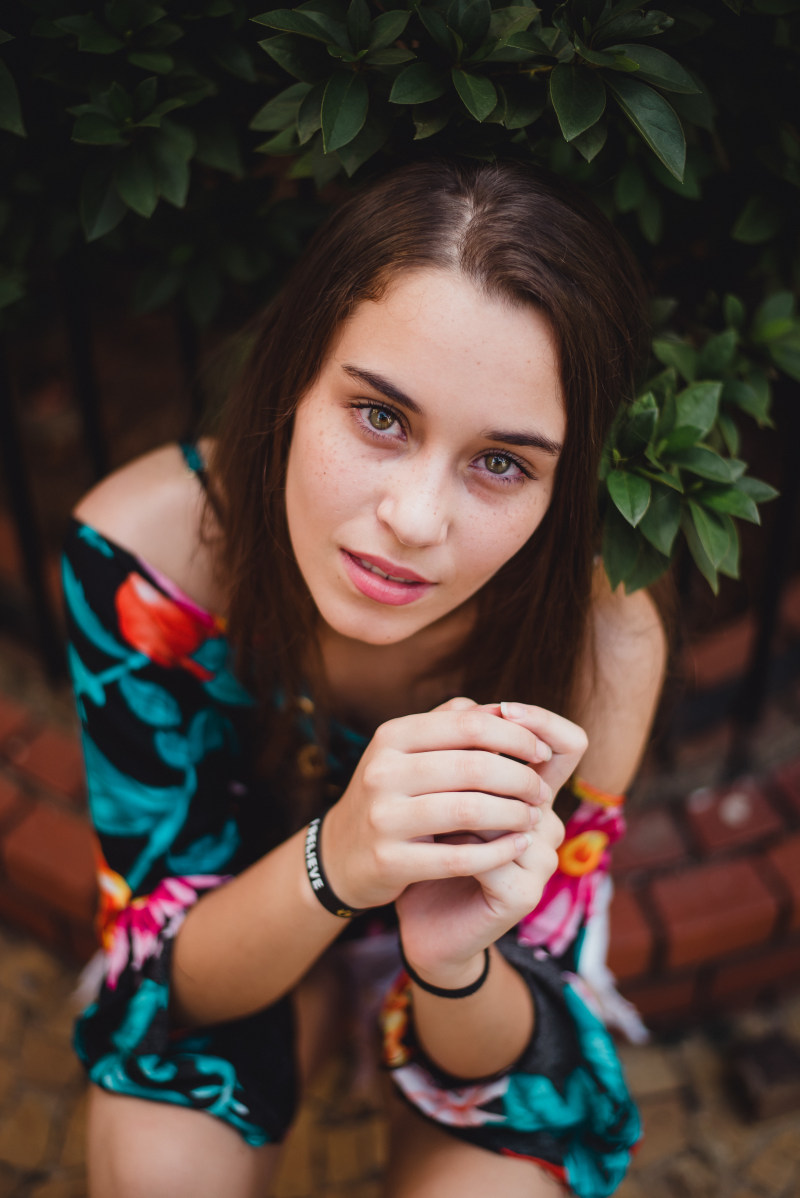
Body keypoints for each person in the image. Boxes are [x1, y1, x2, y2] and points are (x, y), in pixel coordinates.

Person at [63, 158, 666, 1198]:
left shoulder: (598, 645)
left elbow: (518, 1042)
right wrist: (337, 858)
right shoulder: (143, 565)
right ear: (297, 378)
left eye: (501, 463)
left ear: (560, 484)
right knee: (157, 1165)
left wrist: (449, 958)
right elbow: (170, 977)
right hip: (249, 916)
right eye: (380, 416)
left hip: (466, 983)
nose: (415, 519)